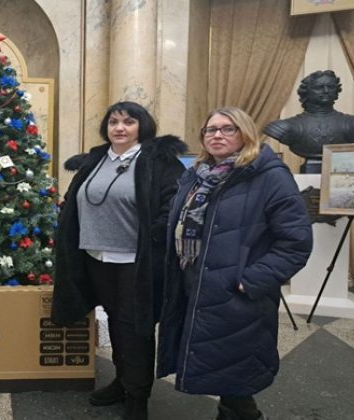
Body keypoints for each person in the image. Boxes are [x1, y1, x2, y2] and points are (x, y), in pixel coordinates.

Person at [156, 107, 313, 420]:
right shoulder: (195, 174)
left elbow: (296, 243)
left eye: (227, 129)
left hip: (237, 289)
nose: (217, 135)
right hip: (194, 280)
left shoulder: (268, 176)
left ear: (245, 134)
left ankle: (242, 414)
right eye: (210, 129)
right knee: (217, 356)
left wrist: (251, 280)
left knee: (237, 366)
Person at [51, 101, 186, 420]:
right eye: (113, 122)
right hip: (95, 256)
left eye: (128, 121)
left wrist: (155, 233)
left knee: (135, 327)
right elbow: (76, 196)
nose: (120, 128)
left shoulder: (157, 160)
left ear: (142, 126)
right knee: (115, 321)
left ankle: (138, 396)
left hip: (134, 262)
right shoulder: (96, 158)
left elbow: (174, 202)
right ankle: (122, 382)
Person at [263, 70, 354, 173]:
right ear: (306, 91)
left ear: (337, 90)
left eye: (330, 86)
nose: (326, 91)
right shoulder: (286, 127)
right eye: (319, 87)